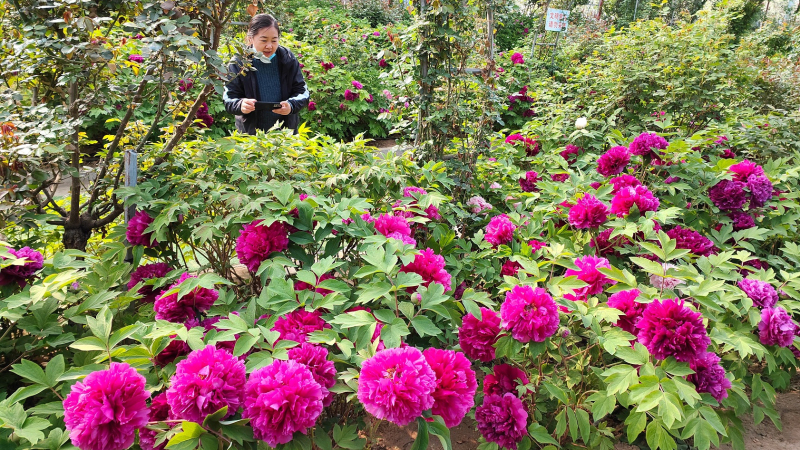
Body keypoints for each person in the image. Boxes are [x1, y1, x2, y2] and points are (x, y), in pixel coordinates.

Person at [223, 14, 309, 134]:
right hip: (250, 135)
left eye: (274, 40)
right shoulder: (239, 62)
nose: (269, 46)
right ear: (251, 38)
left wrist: (291, 106)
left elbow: (302, 92)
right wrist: (241, 105)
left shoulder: (287, 59)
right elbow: (229, 98)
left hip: (285, 135)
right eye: (264, 40)